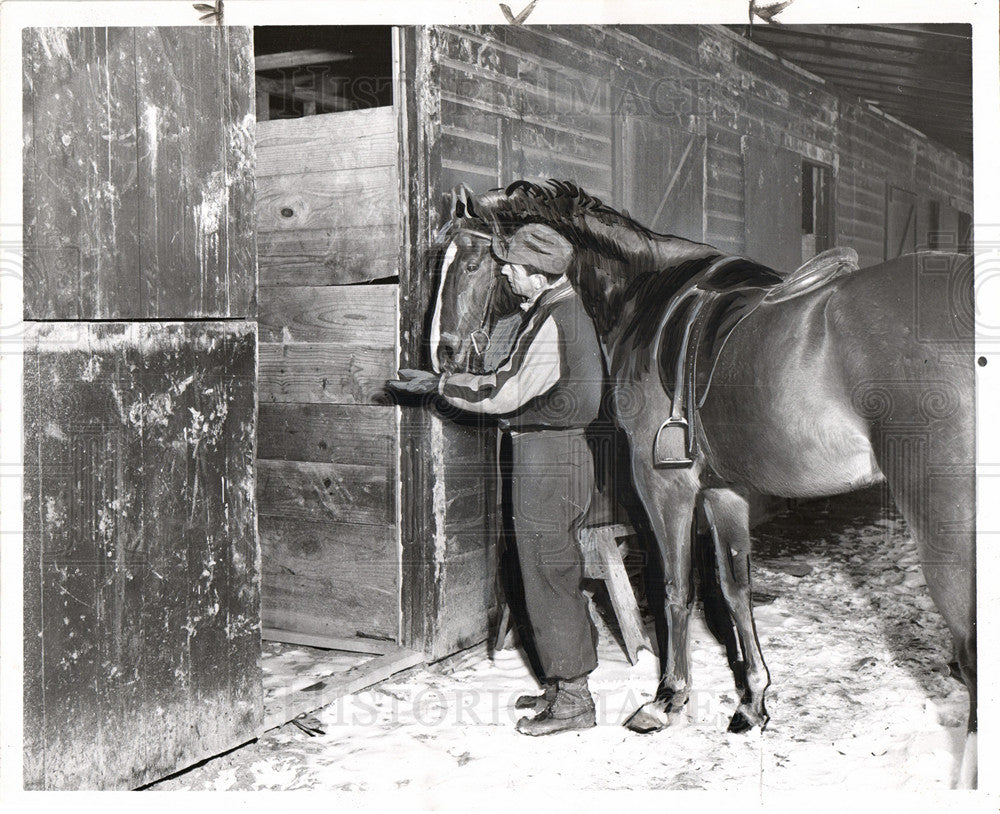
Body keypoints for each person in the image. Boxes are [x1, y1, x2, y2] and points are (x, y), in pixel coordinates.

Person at [389, 223, 605, 735]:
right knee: (542, 569)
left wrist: (439, 386)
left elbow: (504, 393)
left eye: (512, 266)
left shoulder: (559, 320)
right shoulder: (549, 311)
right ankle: (561, 684)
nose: (505, 272)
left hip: (550, 460)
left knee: (549, 574)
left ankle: (575, 700)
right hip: (549, 457)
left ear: (538, 274)